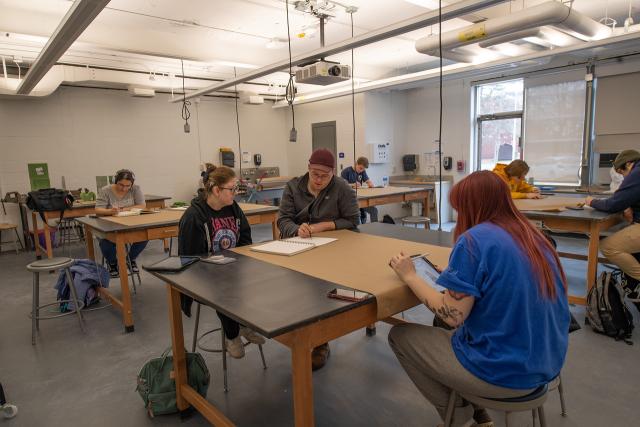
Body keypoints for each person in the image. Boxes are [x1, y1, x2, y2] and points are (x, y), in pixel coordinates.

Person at [388, 171, 569, 427]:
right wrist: (457, 276)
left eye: (461, 209)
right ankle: (476, 413)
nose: (460, 216)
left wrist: (409, 276)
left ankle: (460, 418)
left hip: (507, 374)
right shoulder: (533, 236)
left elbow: (452, 315)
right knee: (443, 329)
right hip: (546, 363)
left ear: (472, 207)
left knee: (400, 336)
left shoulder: (473, 241)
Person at [278, 148, 360, 370]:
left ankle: (321, 341)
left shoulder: (342, 187)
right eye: (315, 173)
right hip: (300, 249)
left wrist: (323, 226)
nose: (318, 179)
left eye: (324, 175)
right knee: (299, 293)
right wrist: (297, 230)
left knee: (324, 294)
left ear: (333, 172)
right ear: (308, 168)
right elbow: (282, 220)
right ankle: (302, 333)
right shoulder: (293, 187)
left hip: (336, 250)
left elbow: (353, 220)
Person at [178, 166, 265, 359]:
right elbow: (190, 262)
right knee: (225, 287)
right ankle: (232, 334)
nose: (236, 193)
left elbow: (245, 238)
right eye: (232, 189)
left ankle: (244, 324)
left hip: (233, 268)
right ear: (217, 190)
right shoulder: (194, 217)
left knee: (257, 280)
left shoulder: (232, 207)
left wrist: (240, 263)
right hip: (204, 279)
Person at [586, 149, 640, 287]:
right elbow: (625, 197)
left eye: (622, 172)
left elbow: (613, 204)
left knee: (608, 246)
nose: (624, 177)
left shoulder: (636, 173)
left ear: (628, 164)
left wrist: (592, 201)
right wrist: (627, 203)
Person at [95, 169, 148, 277]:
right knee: (105, 241)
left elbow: (142, 206)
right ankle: (112, 263)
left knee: (144, 236)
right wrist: (110, 211)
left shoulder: (135, 189)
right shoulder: (105, 190)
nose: (124, 188)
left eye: (128, 186)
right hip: (109, 224)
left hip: (130, 223)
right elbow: (98, 210)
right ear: (115, 181)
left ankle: (130, 259)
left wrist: (124, 209)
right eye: (121, 185)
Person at [341, 156, 379, 224]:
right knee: (357, 213)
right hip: (350, 200)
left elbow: (368, 181)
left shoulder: (362, 171)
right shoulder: (346, 171)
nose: (361, 170)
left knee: (374, 210)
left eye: (363, 169)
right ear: (356, 164)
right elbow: (342, 186)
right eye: (360, 168)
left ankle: (375, 226)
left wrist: (370, 184)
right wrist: (352, 184)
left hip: (360, 198)